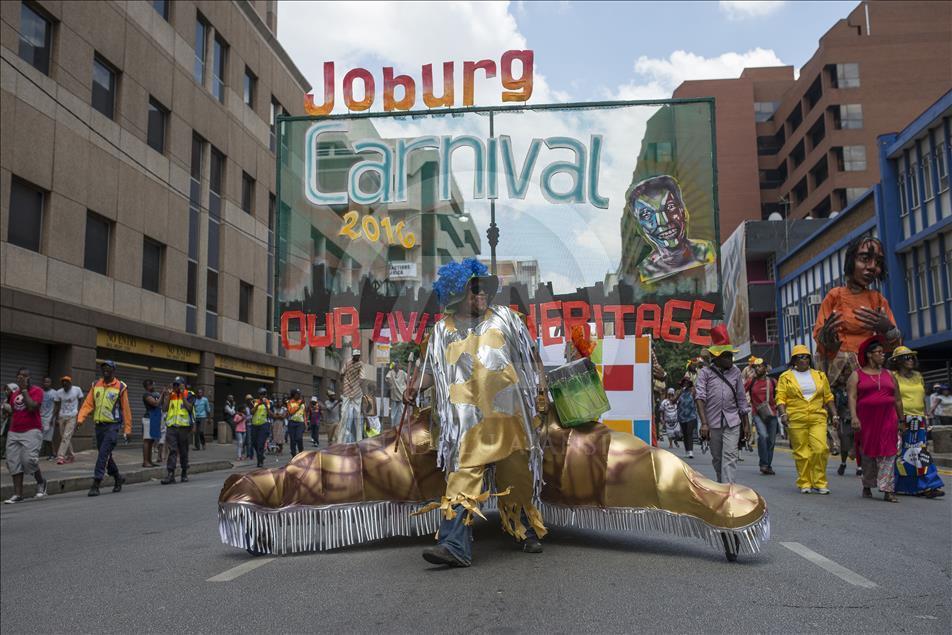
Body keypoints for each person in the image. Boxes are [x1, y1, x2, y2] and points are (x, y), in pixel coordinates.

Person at [404, 258, 547, 567]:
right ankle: (454, 545)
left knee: (516, 476)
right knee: (461, 479)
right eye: (474, 290)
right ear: (457, 294)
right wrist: (414, 388)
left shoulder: (507, 318)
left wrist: (540, 388)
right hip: (465, 423)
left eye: (484, 289)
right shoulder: (441, 331)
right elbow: (430, 371)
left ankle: (522, 529)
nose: (481, 295)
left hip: (509, 417)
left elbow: (530, 356)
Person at [814, 236, 901, 387]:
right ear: (851, 261)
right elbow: (821, 340)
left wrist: (888, 329)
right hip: (837, 377)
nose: (872, 267)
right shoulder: (835, 296)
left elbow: (894, 347)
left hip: (868, 376)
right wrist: (827, 337)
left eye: (878, 262)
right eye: (865, 259)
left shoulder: (878, 300)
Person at [624, 175, 716, 283]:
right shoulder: (646, 271)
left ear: (682, 211)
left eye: (670, 207)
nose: (663, 221)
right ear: (640, 227)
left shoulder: (707, 252)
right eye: (646, 215)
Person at [775, 346, 837, 494]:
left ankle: (819, 481)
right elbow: (780, 398)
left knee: (820, 449)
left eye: (806, 356)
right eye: (800, 357)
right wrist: (783, 415)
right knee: (802, 452)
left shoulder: (819, 375)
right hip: (796, 418)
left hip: (817, 417)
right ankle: (805, 482)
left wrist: (834, 414)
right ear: (794, 360)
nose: (804, 359)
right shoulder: (785, 377)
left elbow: (828, 397)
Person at [848, 336, 902, 502]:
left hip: (888, 418)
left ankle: (887, 489)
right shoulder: (856, 375)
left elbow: (898, 399)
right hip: (866, 420)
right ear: (869, 354)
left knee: (889, 452)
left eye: (883, 352)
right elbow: (852, 397)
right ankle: (867, 484)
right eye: (879, 352)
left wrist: (902, 420)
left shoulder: (889, 374)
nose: (882, 355)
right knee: (868, 454)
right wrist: (854, 417)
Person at [695, 326, 750, 485]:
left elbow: (741, 399)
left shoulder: (736, 372)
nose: (730, 360)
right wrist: (704, 423)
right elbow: (700, 398)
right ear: (716, 357)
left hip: (732, 422)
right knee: (717, 458)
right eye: (726, 356)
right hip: (712, 423)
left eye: (731, 356)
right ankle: (722, 484)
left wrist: (746, 424)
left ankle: (728, 489)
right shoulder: (705, 373)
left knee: (730, 456)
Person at [890, 347, 944, 498]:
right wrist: (898, 420)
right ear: (898, 361)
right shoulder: (893, 376)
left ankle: (929, 485)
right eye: (907, 358)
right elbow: (893, 399)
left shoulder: (918, 376)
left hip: (919, 419)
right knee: (902, 454)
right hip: (902, 419)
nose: (911, 360)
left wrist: (926, 416)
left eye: (912, 357)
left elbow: (922, 398)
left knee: (921, 453)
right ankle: (902, 486)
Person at [77, 361, 131, 497]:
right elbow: (88, 404)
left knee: (102, 455)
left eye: (108, 367)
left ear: (113, 370)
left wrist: (127, 429)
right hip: (99, 426)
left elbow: (126, 409)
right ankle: (118, 478)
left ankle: (96, 483)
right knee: (106, 455)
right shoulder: (96, 385)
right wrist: (80, 419)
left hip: (113, 426)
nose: (105, 370)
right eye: (103, 367)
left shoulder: (121, 387)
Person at [3, 368, 49, 503]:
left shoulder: (37, 391)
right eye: (19, 376)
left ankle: (41, 482)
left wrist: (24, 391)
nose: (22, 378)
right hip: (14, 431)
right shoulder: (14, 394)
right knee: (13, 463)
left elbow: (32, 407)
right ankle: (18, 494)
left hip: (32, 431)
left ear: (29, 378)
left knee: (29, 460)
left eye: (25, 376)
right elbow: (13, 412)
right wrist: (5, 411)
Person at [745, 357, 779, 476]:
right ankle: (763, 464)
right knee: (763, 436)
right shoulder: (751, 381)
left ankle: (768, 465)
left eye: (760, 366)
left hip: (772, 413)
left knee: (771, 441)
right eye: (755, 367)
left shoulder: (773, 381)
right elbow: (740, 392)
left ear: (766, 368)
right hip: (757, 413)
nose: (757, 369)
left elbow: (779, 396)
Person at [160, 377, 193, 484]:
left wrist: (183, 395)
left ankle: (184, 473)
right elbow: (164, 408)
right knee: (172, 450)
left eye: (178, 384)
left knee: (183, 451)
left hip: (184, 428)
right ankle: (170, 475)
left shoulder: (189, 394)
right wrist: (168, 396)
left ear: (183, 385)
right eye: (175, 384)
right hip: (171, 427)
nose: (176, 387)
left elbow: (189, 408)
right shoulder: (171, 395)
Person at [832, 374, 859, 477]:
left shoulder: (857, 388)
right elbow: (833, 404)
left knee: (858, 443)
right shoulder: (837, 392)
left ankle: (859, 466)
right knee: (844, 443)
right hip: (844, 419)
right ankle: (843, 463)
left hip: (856, 418)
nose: (844, 377)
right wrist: (834, 417)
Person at [52, 376, 83, 464]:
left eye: (66, 382)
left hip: (72, 416)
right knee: (64, 437)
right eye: (63, 382)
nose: (65, 383)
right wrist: (55, 418)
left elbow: (80, 402)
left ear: (70, 383)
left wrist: (80, 416)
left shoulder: (77, 390)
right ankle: (71, 455)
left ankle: (60, 457)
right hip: (62, 416)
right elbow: (57, 406)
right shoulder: (58, 392)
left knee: (66, 436)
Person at [336, 350, 365, 444]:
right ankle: (342, 440)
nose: (358, 357)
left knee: (354, 415)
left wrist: (346, 383)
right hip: (350, 391)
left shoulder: (358, 364)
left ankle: (356, 440)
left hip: (353, 392)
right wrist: (345, 384)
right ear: (354, 356)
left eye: (358, 355)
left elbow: (342, 374)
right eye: (357, 356)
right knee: (346, 414)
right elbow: (362, 378)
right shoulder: (351, 363)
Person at [249, 388, 272, 468]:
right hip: (254, 425)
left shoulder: (268, 402)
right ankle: (261, 455)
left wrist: (265, 405)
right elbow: (252, 412)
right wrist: (258, 404)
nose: (262, 396)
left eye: (264, 394)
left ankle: (260, 461)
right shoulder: (255, 401)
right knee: (254, 443)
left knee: (260, 443)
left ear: (266, 395)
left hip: (263, 425)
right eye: (261, 394)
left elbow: (269, 414)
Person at [141, 380, 161, 467]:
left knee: (151, 440)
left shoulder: (153, 394)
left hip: (153, 418)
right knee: (147, 440)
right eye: (153, 385)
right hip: (148, 419)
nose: (154, 386)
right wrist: (162, 394)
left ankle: (149, 461)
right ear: (149, 386)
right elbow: (155, 403)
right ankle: (145, 462)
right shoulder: (146, 394)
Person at [676, 378, 697, 459]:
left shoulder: (692, 391)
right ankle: (687, 450)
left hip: (691, 415)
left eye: (687, 383)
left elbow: (697, 399)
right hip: (682, 415)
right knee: (685, 433)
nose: (686, 384)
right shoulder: (679, 392)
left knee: (689, 432)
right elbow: (673, 401)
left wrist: (693, 389)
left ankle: (691, 451)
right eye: (684, 383)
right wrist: (679, 393)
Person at [385, 362, 409, 428]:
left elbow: (409, 379)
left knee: (403, 412)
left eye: (397, 365)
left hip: (402, 395)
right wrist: (391, 385)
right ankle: (393, 427)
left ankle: (403, 426)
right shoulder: (391, 372)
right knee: (393, 414)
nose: (396, 366)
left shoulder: (402, 373)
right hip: (394, 395)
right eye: (395, 365)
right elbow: (387, 379)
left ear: (399, 365)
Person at [39, 377, 56, 461]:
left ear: (50, 383)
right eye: (45, 382)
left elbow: (57, 406)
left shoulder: (54, 393)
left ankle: (52, 454)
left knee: (48, 438)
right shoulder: (40, 392)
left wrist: (53, 418)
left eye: (48, 382)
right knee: (38, 437)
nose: (46, 383)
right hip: (40, 417)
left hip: (49, 418)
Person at [286, 389, 307, 457]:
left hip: (300, 423)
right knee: (293, 440)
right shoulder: (289, 402)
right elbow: (291, 412)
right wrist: (299, 404)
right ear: (294, 394)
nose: (299, 395)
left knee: (299, 438)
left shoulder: (302, 402)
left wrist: (305, 423)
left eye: (299, 394)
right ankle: (293, 455)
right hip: (292, 423)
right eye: (297, 394)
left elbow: (304, 413)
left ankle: (301, 451)